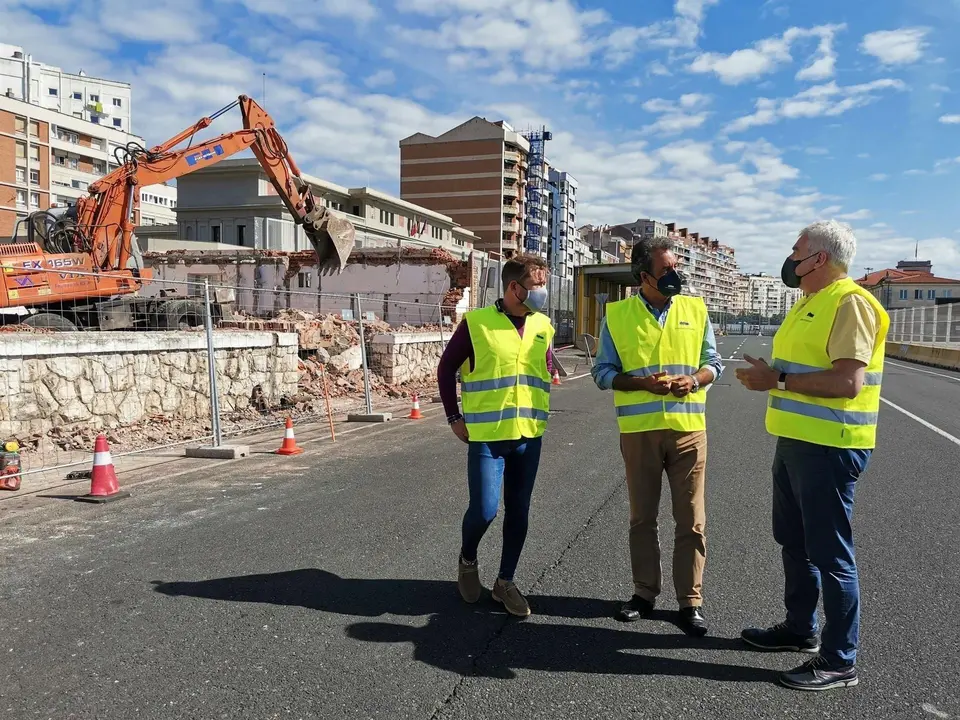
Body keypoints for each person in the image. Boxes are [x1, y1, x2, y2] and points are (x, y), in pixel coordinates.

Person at [735, 220, 889, 691]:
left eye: (797, 250)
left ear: (819, 258)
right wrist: (772, 373)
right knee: (794, 541)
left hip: (830, 447)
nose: (791, 256)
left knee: (830, 554)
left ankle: (840, 661)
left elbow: (847, 382)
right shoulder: (811, 302)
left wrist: (776, 382)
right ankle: (800, 629)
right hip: (796, 441)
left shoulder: (851, 303)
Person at [591, 237, 724, 637]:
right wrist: (641, 384)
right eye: (666, 268)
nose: (675, 274)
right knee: (642, 519)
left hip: (688, 431)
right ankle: (644, 593)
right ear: (644, 275)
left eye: (676, 266)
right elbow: (603, 374)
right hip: (640, 433)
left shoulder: (695, 309)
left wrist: (695, 379)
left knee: (691, 520)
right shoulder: (616, 315)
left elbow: (713, 363)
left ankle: (691, 602)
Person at [437, 253, 555, 618]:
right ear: (514, 287)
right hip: (487, 436)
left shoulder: (543, 325)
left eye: (543, 284)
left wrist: (549, 374)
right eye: (536, 285)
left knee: (519, 511)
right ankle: (468, 558)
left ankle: (506, 582)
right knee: (486, 510)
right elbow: (446, 369)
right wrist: (454, 416)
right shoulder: (477, 324)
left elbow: (545, 365)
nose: (542, 291)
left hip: (528, 434)